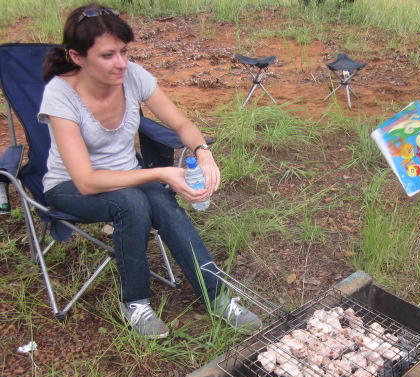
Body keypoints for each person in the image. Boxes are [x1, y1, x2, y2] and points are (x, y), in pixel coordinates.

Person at [39, 4, 261, 338]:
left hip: (129, 177)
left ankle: (218, 297)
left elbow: (181, 123)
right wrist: (160, 173)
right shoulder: (60, 94)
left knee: (158, 203)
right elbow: (86, 181)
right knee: (133, 202)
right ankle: (136, 302)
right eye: (107, 55)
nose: (121, 63)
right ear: (77, 57)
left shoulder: (132, 77)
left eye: (124, 52)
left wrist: (203, 151)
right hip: (70, 186)